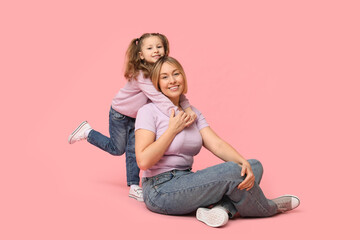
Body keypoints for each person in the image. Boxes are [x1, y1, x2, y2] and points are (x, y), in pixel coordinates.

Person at [135, 56, 300, 227]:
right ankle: (270, 207)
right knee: (232, 170)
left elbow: (217, 144)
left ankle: (222, 210)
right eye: (165, 77)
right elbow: (143, 161)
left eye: (176, 74)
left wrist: (243, 163)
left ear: (183, 76)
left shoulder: (193, 114)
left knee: (252, 165)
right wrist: (172, 130)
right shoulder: (148, 111)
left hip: (186, 179)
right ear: (157, 83)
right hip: (160, 190)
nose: (172, 80)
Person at [68, 33, 196, 202]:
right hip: (120, 114)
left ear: (165, 49)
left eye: (159, 47)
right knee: (117, 149)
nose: (155, 51)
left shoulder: (162, 70)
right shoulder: (142, 74)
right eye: (150, 48)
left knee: (134, 151)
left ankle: (134, 185)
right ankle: (88, 132)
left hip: (138, 117)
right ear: (141, 55)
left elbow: (172, 92)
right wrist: (179, 116)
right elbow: (159, 98)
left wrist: (187, 107)